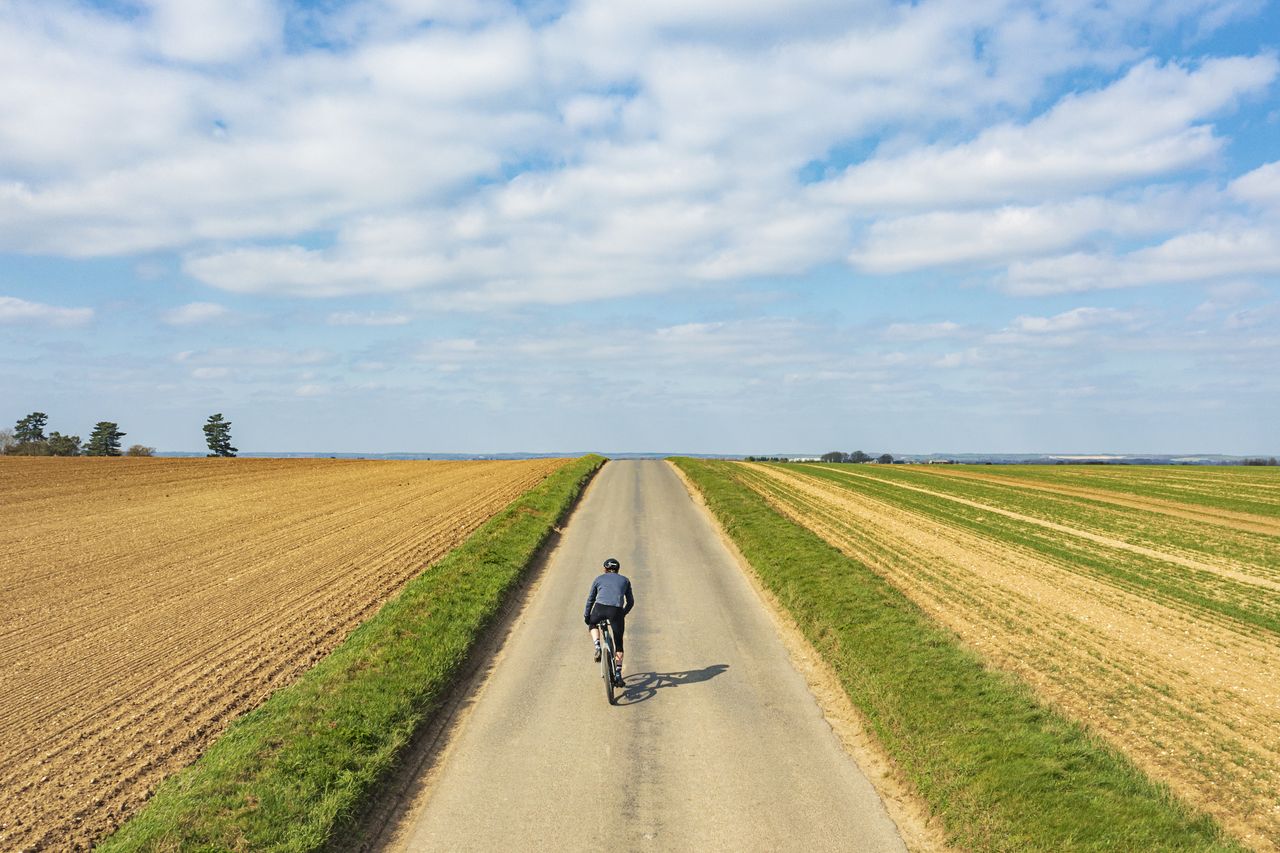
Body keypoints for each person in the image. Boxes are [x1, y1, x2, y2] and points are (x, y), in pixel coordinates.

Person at [584, 557, 635, 680]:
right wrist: (622, 614)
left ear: (605, 569)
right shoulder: (625, 580)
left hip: (599, 608)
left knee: (592, 624)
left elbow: (591, 599)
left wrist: (587, 617)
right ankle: (618, 673)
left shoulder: (599, 579)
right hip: (616, 611)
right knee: (618, 643)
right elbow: (630, 602)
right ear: (618, 570)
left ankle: (597, 646)